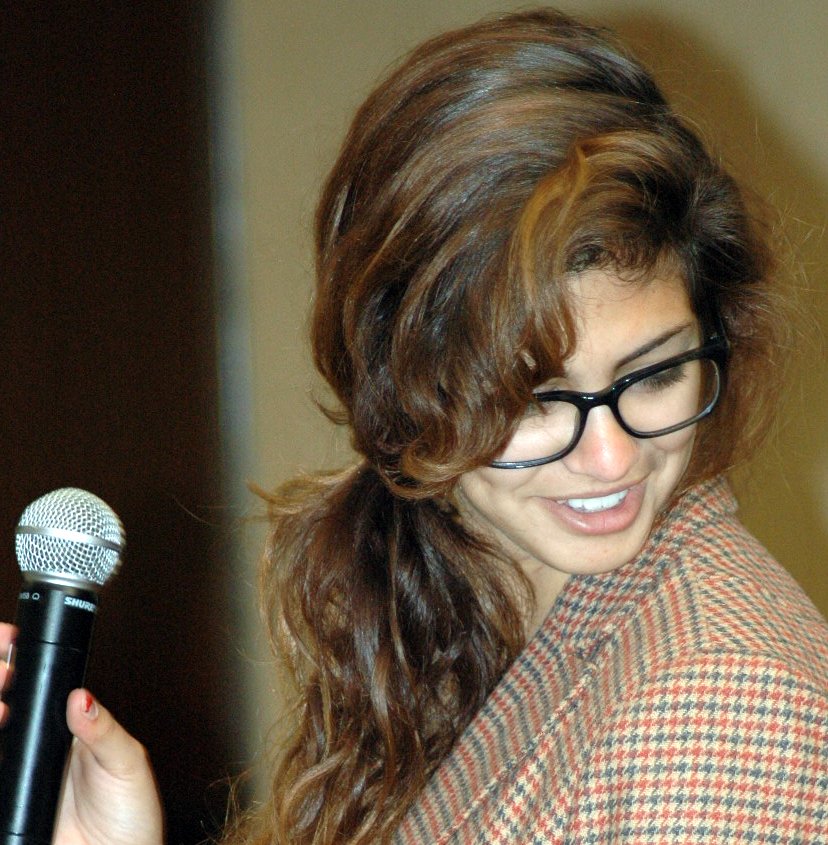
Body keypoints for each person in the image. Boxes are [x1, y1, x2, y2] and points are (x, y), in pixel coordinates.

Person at [2, 8, 827, 845]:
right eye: (532, 399)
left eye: (652, 376)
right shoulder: (476, 597)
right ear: (406, 391)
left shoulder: (719, 699)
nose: (612, 457)